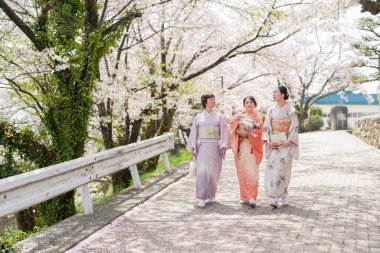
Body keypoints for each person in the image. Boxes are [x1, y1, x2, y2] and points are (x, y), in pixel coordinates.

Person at [186, 93, 230, 208]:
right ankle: (200, 197)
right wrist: (193, 147)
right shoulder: (198, 117)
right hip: (203, 146)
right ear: (205, 101)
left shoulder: (219, 116)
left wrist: (224, 146)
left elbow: (225, 132)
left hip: (215, 146)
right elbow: (194, 133)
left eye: (214, 99)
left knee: (214, 172)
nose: (214, 101)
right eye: (211, 99)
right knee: (202, 172)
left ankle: (211, 194)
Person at [263, 85, 299, 208]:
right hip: (273, 145)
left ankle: (284, 196)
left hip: (285, 145)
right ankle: (273, 198)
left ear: (282, 94)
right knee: (272, 170)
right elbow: (266, 127)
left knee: (283, 171)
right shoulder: (271, 110)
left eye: (276, 92)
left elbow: (294, 127)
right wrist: (268, 141)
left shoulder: (291, 111)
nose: (273, 94)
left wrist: (288, 142)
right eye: (273, 92)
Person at [230, 96, 263, 208]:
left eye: (251, 102)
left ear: (255, 105)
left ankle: (252, 197)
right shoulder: (239, 116)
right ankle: (244, 196)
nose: (249, 104)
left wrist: (247, 134)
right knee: (242, 172)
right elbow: (232, 125)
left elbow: (259, 133)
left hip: (251, 147)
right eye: (247, 102)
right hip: (240, 146)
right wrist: (237, 129)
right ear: (244, 105)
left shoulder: (258, 118)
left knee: (252, 171)